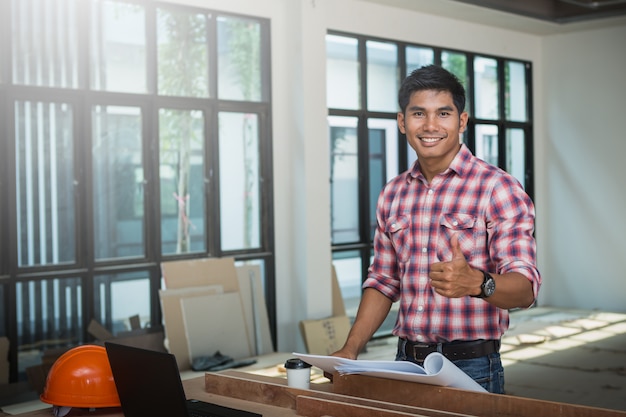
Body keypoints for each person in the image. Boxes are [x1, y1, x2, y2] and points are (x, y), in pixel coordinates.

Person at [331, 65, 541, 394]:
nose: (430, 126)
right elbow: (384, 281)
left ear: (462, 121)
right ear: (402, 122)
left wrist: (477, 282)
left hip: (472, 368)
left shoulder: (497, 188)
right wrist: (350, 349)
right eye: (418, 113)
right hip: (404, 363)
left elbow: (525, 289)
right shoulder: (393, 192)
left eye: (443, 113)